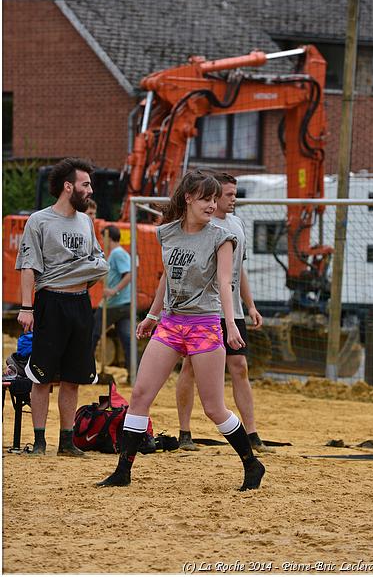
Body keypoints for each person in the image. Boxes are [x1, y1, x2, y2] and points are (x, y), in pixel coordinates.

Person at [97, 170, 265, 490]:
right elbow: (166, 277)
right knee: (140, 395)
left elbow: (225, 283)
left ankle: (251, 464)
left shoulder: (221, 237)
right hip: (172, 323)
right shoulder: (168, 233)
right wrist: (152, 315)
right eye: (206, 198)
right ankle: (123, 471)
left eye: (215, 199)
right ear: (188, 198)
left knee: (214, 407)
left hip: (205, 324)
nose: (212, 204)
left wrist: (230, 325)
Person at [15, 157, 109, 456]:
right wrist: (27, 307)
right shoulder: (39, 221)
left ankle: (66, 442)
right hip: (50, 304)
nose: (90, 190)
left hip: (80, 304)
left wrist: (80, 276)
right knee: (41, 376)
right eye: (85, 184)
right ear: (68, 187)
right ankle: (40, 440)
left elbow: (99, 262)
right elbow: (29, 267)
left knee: (74, 377)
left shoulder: (86, 221)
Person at [176, 172, 271, 453]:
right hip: (203, 311)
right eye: (228, 195)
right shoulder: (197, 226)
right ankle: (185, 433)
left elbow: (237, 271)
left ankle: (252, 433)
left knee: (239, 367)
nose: (233, 200)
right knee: (190, 367)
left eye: (233, 194)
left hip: (232, 311)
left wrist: (250, 305)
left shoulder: (236, 225)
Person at [91, 225, 131, 378]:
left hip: (114, 304)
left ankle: (86, 371)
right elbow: (114, 276)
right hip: (124, 304)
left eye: (102, 238)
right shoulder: (117, 254)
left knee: (92, 334)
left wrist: (114, 290)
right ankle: (133, 374)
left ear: (108, 238)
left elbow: (128, 275)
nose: (101, 241)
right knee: (126, 339)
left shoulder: (117, 254)